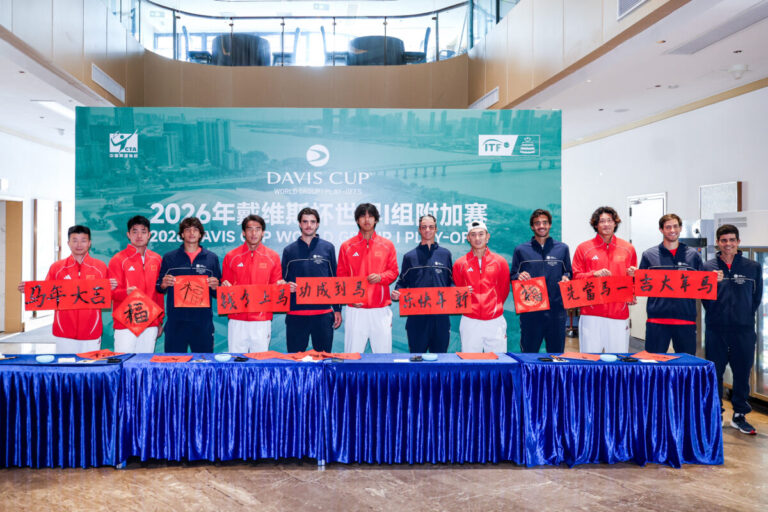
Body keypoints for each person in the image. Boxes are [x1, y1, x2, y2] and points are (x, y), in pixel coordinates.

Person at [702, 224, 763, 435]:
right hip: (716, 329)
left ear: (738, 242)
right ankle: (715, 413)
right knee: (715, 372)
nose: (728, 244)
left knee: (741, 372)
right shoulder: (707, 267)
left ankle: (739, 415)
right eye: (724, 240)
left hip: (743, 330)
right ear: (717, 243)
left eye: (732, 240)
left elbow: (756, 298)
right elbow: (703, 298)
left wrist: (743, 316)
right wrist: (713, 283)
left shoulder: (752, 267)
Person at [18, 225, 115, 354]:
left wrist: (112, 288)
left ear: (89, 243)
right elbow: (46, 294)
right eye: (75, 240)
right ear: (68, 243)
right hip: (64, 330)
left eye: (83, 240)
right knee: (65, 364)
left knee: (89, 365)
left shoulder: (100, 267)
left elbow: (108, 297)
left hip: (91, 330)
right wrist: (30, 291)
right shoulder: (57, 268)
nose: (79, 244)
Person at [572, 206, 637, 353]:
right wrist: (593, 274)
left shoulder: (628, 248)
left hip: (619, 313)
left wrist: (633, 291)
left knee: (618, 359)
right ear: (596, 224)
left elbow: (633, 278)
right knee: (589, 359)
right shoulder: (583, 248)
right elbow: (575, 277)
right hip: (591, 313)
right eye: (602, 221)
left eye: (610, 220)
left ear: (615, 223)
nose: (606, 224)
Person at [337, 203, 398, 353]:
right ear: (357, 220)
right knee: (352, 356)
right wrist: (350, 299)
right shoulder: (347, 246)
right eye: (362, 216)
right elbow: (341, 277)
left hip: (380, 309)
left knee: (383, 356)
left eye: (370, 216)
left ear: (376, 220)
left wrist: (381, 277)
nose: (366, 220)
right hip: (356, 309)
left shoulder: (387, 245)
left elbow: (394, 272)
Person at [638, 213, 702, 355]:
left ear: (680, 228)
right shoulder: (649, 255)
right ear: (661, 230)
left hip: (685, 318)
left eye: (675, 226)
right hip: (657, 319)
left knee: (686, 363)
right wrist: (633, 276)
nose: (672, 230)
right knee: (654, 362)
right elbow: (641, 284)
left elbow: (702, 284)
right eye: (668, 227)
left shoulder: (693, 255)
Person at [510, 209, 571, 353]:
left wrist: (566, 277)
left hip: (556, 312)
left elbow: (569, 272)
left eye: (544, 222)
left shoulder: (562, 248)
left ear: (550, 225)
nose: (541, 226)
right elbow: (512, 275)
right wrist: (519, 276)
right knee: (529, 354)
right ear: (532, 227)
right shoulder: (521, 250)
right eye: (537, 223)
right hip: (531, 313)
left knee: (556, 355)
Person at [221, 215, 284, 353]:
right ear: (243, 232)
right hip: (237, 319)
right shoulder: (231, 257)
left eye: (258, 229)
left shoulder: (272, 257)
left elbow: (276, 287)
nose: (254, 233)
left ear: (263, 232)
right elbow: (225, 286)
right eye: (250, 229)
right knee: (236, 360)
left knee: (260, 360)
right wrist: (224, 287)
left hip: (262, 320)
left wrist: (281, 286)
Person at [157, 217, 221, 353]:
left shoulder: (211, 258)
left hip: (202, 322)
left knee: (203, 362)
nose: (191, 233)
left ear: (201, 234)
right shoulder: (169, 258)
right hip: (176, 322)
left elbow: (218, 292)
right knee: (174, 362)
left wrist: (216, 287)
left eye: (195, 230)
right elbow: (159, 287)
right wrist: (163, 284)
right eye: (187, 230)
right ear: (182, 234)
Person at [281, 207, 342, 353]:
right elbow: (281, 280)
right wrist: (286, 286)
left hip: (323, 315)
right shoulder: (289, 250)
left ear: (317, 224)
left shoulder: (328, 248)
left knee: (324, 360)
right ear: (299, 224)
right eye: (305, 221)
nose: (309, 225)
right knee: (295, 360)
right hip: (296, 315)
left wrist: (337, 310)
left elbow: (335, 280)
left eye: (312, 222)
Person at [392, 214, 453, 353]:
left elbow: (452, 282)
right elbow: (402, 282)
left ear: (436, 229)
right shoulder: (410, 256)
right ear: (419, 229)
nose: (427, 230)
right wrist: (397, 292)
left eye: (431, 227)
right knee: (416, 359)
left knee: (440, 360)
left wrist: (458, 293)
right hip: (417, 319)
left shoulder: (445, 254)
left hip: (441, 318)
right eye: (424, 227)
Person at [108, 215, 164, 353]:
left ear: (149, 235)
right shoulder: (118, 259)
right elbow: (110, 293)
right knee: (124, 361)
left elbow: (159, 293)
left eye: (143, 231)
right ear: (128, 234)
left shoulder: (157, 259)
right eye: (135, 231)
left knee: (145, 362)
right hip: (125, 323)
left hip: (150, 322)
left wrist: (159, 320)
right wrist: (125, 293)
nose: (139, 236)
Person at [453, 220, 510, 353]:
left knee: (498, 361)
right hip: (470, 321)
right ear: (468, 238)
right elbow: (459, 290)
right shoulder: (460, 264)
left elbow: (504, 290)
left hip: (495, 321)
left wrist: (493, 308)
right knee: (470, 362)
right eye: (473, 235)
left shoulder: (500, 262)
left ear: (487, 236)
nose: (477, 238)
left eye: (481, 234)